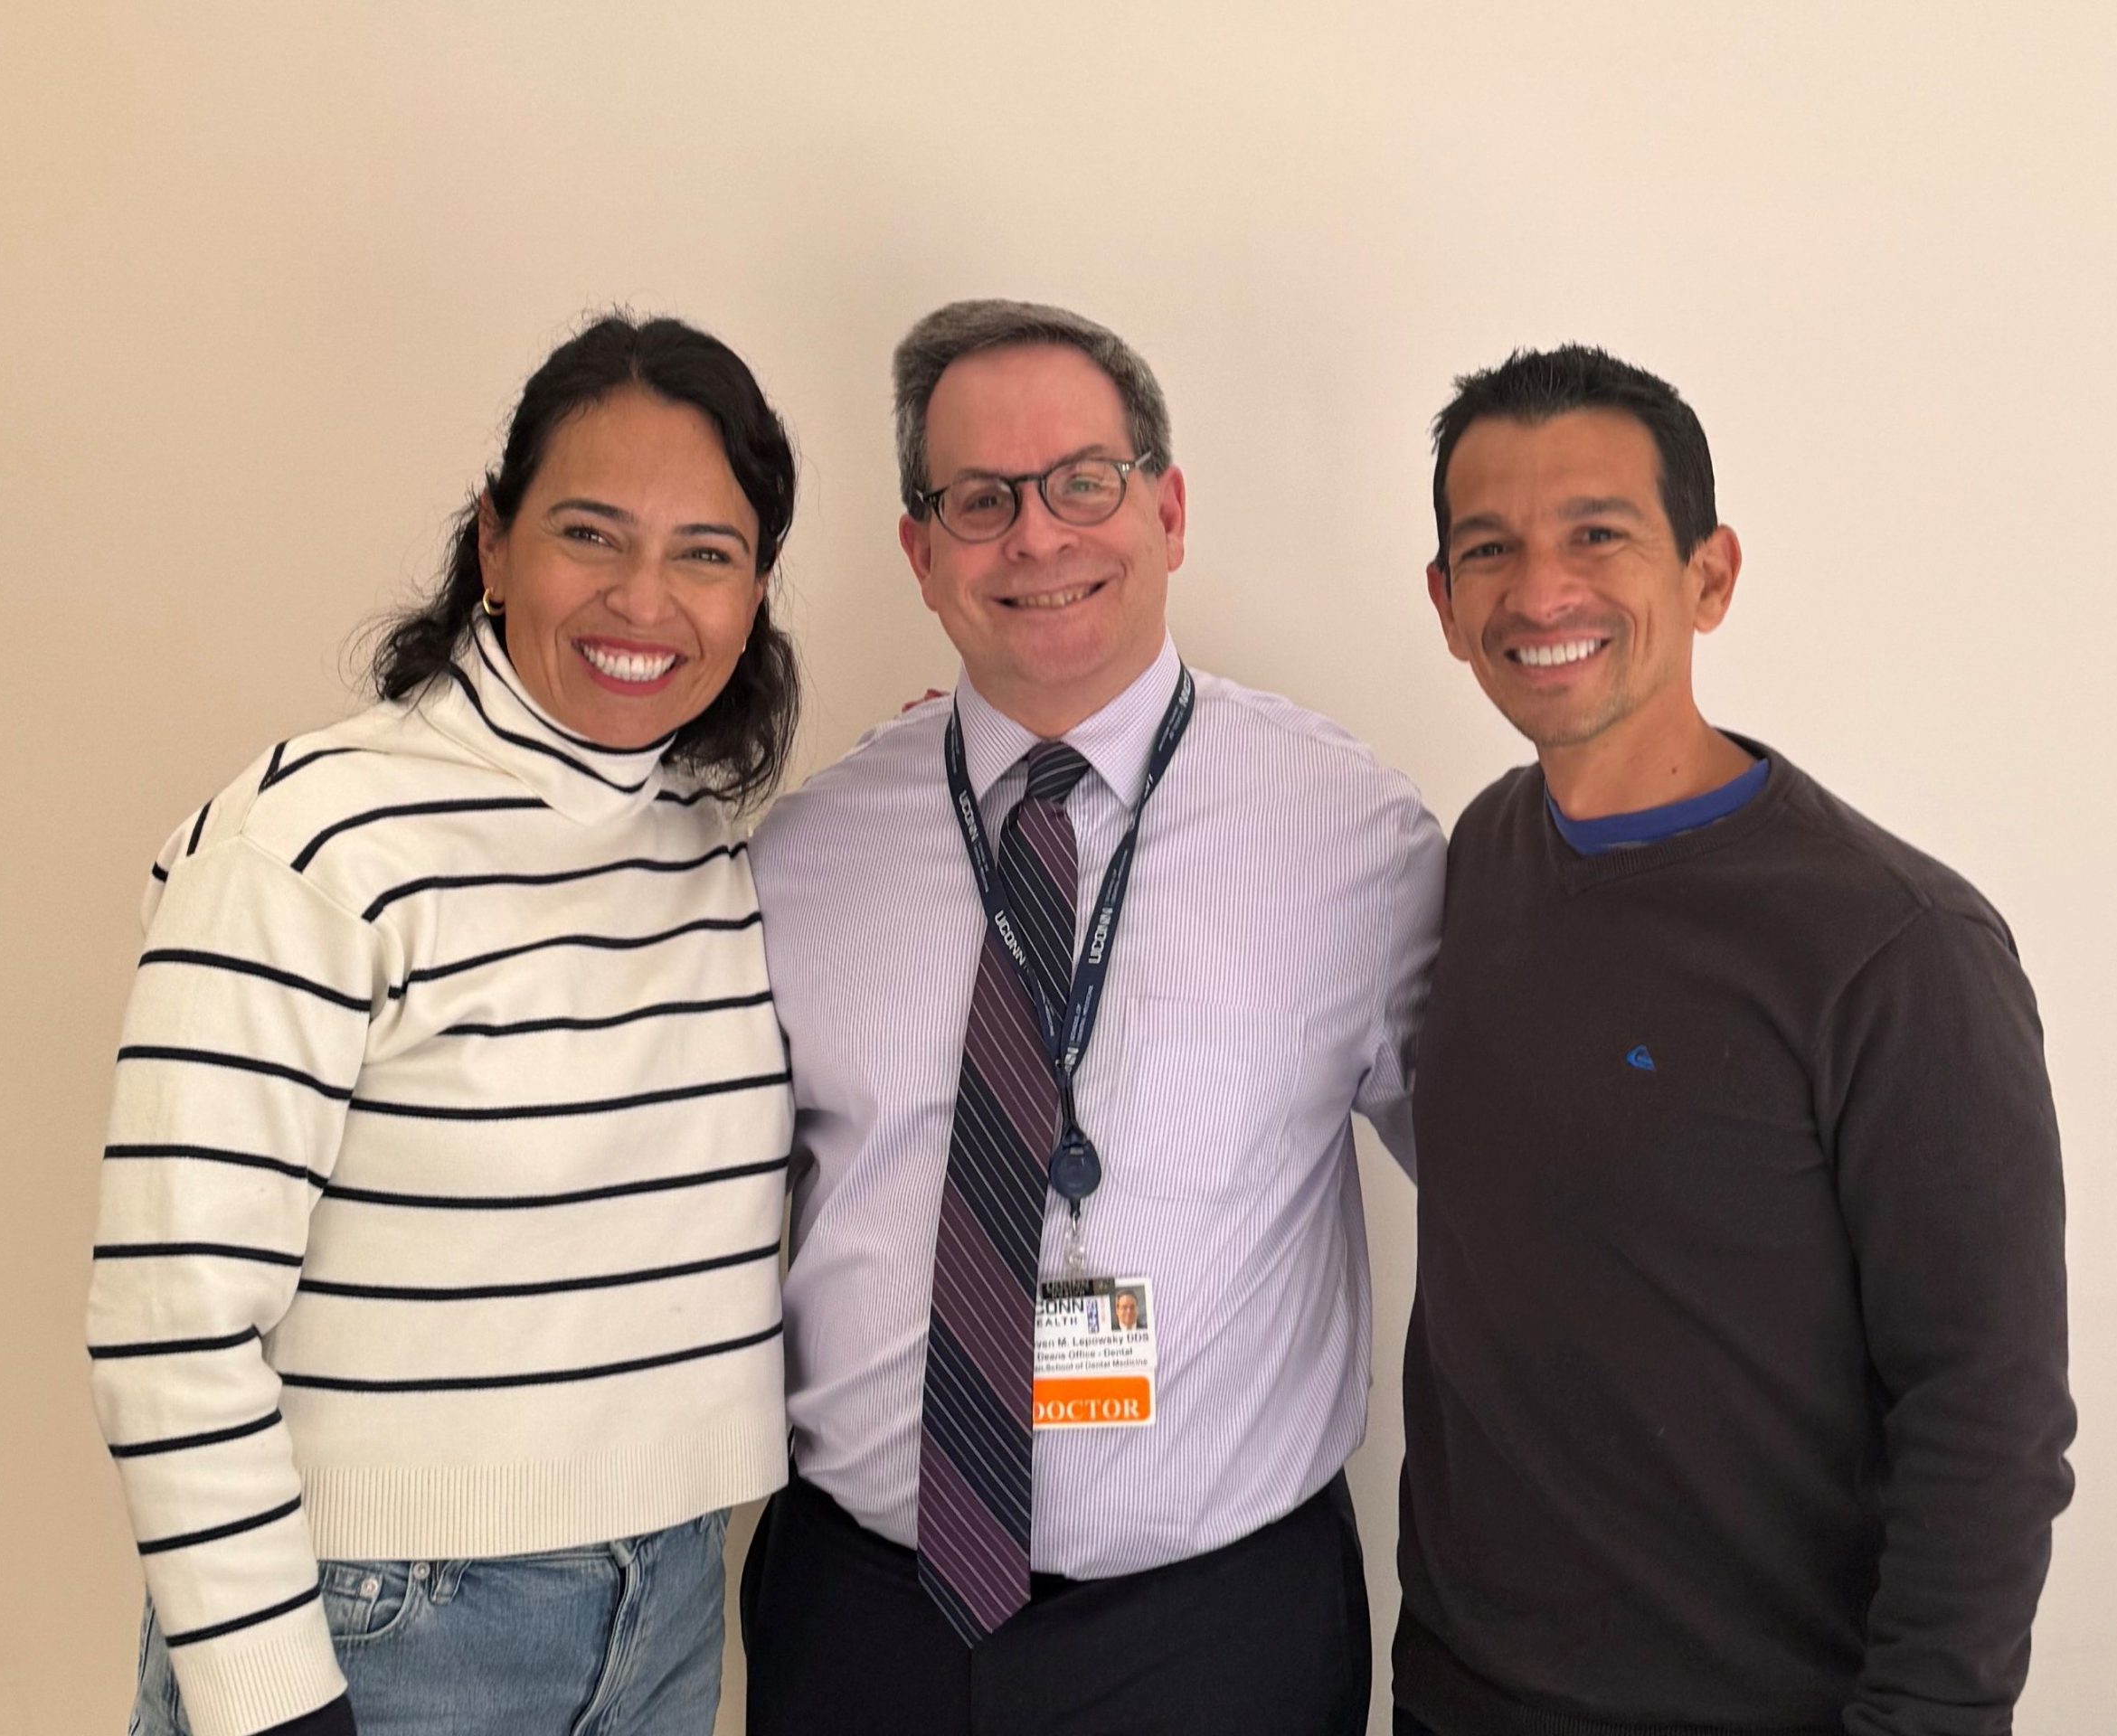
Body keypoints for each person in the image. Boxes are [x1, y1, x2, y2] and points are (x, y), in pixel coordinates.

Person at [86, 315, 803, 1736]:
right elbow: (170, 1312)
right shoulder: (311, 844)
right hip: (384, 1626)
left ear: (757, 587)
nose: (643, 599)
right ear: (492, 540)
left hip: (669, 1603)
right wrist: (267, 1695)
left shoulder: (707, 842)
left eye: (705, 553)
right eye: (590, 534)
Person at [742, 298, 1444, 1736]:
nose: (1039, 538)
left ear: (1168, 508)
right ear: (919, 551)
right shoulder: (806, 856)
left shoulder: (1350, 837)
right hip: (864, 1618)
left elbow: (1517, 1185)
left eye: (1084, 481)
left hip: (1218, 1632)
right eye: (980, 501)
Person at [1396, 345, 2076, 1736]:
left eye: (1599, 535)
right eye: (1490, 550)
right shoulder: (1483, 857)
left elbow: (1988, 1414)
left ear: (1709, 576)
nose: (1541, 592)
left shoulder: (1895, 946)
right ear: (1446, 606)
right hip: (1460, 1689)